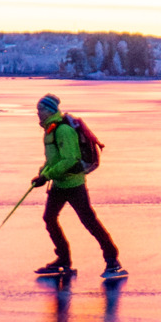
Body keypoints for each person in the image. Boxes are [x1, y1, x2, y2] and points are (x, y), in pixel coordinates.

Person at [30, 93, 125, 282]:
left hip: (74, 184)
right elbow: (54, 159)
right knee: (49, 218)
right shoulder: (51, 129)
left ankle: (112, 259)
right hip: (59, 183)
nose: (38, 113)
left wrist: (47, 176)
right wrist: (42, 174)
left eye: (40, 110)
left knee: (89, 221)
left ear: (49, 111)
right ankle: (63, 260)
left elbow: (70, 160)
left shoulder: (63, 130)